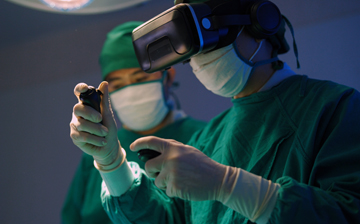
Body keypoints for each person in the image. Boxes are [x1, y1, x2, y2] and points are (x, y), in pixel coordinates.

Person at [70, 1, 360, 224]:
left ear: (261, 24)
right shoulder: (207, 140)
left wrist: (228, 186)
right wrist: (111, 161)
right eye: (193, 48)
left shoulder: (335, 109)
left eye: (212, 35)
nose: (201, 57)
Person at [63, 21, 207, 224]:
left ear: (168, 77)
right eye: (118, 84)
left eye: (139, 78)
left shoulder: (205, 138)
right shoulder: (96, 150)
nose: (130, 91)